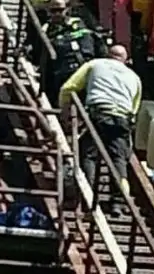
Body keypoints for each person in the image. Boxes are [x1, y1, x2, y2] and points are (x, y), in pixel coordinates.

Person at [58, 45, 142, 216]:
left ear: (108, 55)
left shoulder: (95, 64)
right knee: (118, 159)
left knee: (88, 153)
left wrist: (64, 112)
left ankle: (88, 195)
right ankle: (117, 201)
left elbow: (68, 88)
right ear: (125, 60)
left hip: (99, 114)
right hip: (122, 120)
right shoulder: (135, 78)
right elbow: (134, 108)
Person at [42, 0, 107, 106]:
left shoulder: (81, 23)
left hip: (83, 67)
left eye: (60, 10)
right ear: (48, 12)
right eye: (53, 11)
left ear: (67, 9)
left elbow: (97, 41)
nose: (57, 14)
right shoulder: (45, 30)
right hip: (59, 71)